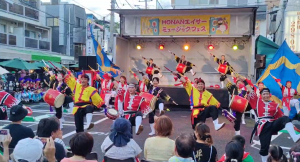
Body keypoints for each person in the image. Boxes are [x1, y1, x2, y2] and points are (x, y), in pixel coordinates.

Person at [243, 78, 300, 162]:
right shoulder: (257, 101)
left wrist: (291, 126)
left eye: (267, 94)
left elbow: (281, 117)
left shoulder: (274, 105)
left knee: (286, 118)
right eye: (264, 94)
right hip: (262, 126)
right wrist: (244, 81)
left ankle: (294, 137)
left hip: (272, 124)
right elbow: (250, 90)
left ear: (270, 95)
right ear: (261, 95)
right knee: (264, 148)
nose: (266, 95)